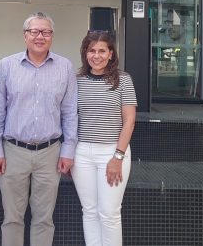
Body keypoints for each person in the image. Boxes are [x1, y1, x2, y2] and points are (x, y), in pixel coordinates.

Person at [0, 12, 78, 246]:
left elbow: (70, 113)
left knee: (44, 219)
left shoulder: (65, 67)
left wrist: (68, 150)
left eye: (46, 32)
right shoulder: (7, 66)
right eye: (34, 31)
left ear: (52, 36)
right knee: (12, 218)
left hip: (51, 153)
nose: (40, 36)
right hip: (13, 151)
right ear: (25, 35)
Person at [71, 30, 137, 246]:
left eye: (102, 51)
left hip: (112, 152)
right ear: (85, 53)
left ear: (111, 54)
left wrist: (117, 157)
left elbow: (129, 121)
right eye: (92, 51)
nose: (96, 56)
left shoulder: (123, 80)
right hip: (82, 153)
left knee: (109, 213)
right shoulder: (77, 80)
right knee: (89, 211)